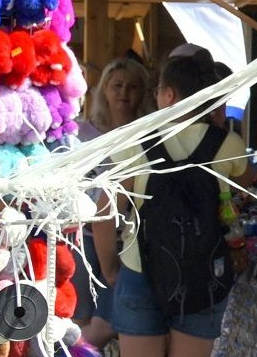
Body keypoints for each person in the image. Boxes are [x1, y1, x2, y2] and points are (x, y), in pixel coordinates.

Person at [95, 53, 248, 357]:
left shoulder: (137, 141)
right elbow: (241, 186)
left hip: (139, 269)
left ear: (168, 94)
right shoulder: (228, 144)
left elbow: (104, 213)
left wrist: (111, 269)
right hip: (204, 274)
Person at [76, 56, 155, 349]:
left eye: (132, 87)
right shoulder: (81, 133)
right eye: (117, 85)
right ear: (104, 90)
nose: (124, 93)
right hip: (81, 235)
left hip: (127, 240)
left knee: (113, 322)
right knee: (82, 317)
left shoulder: (149, 135)